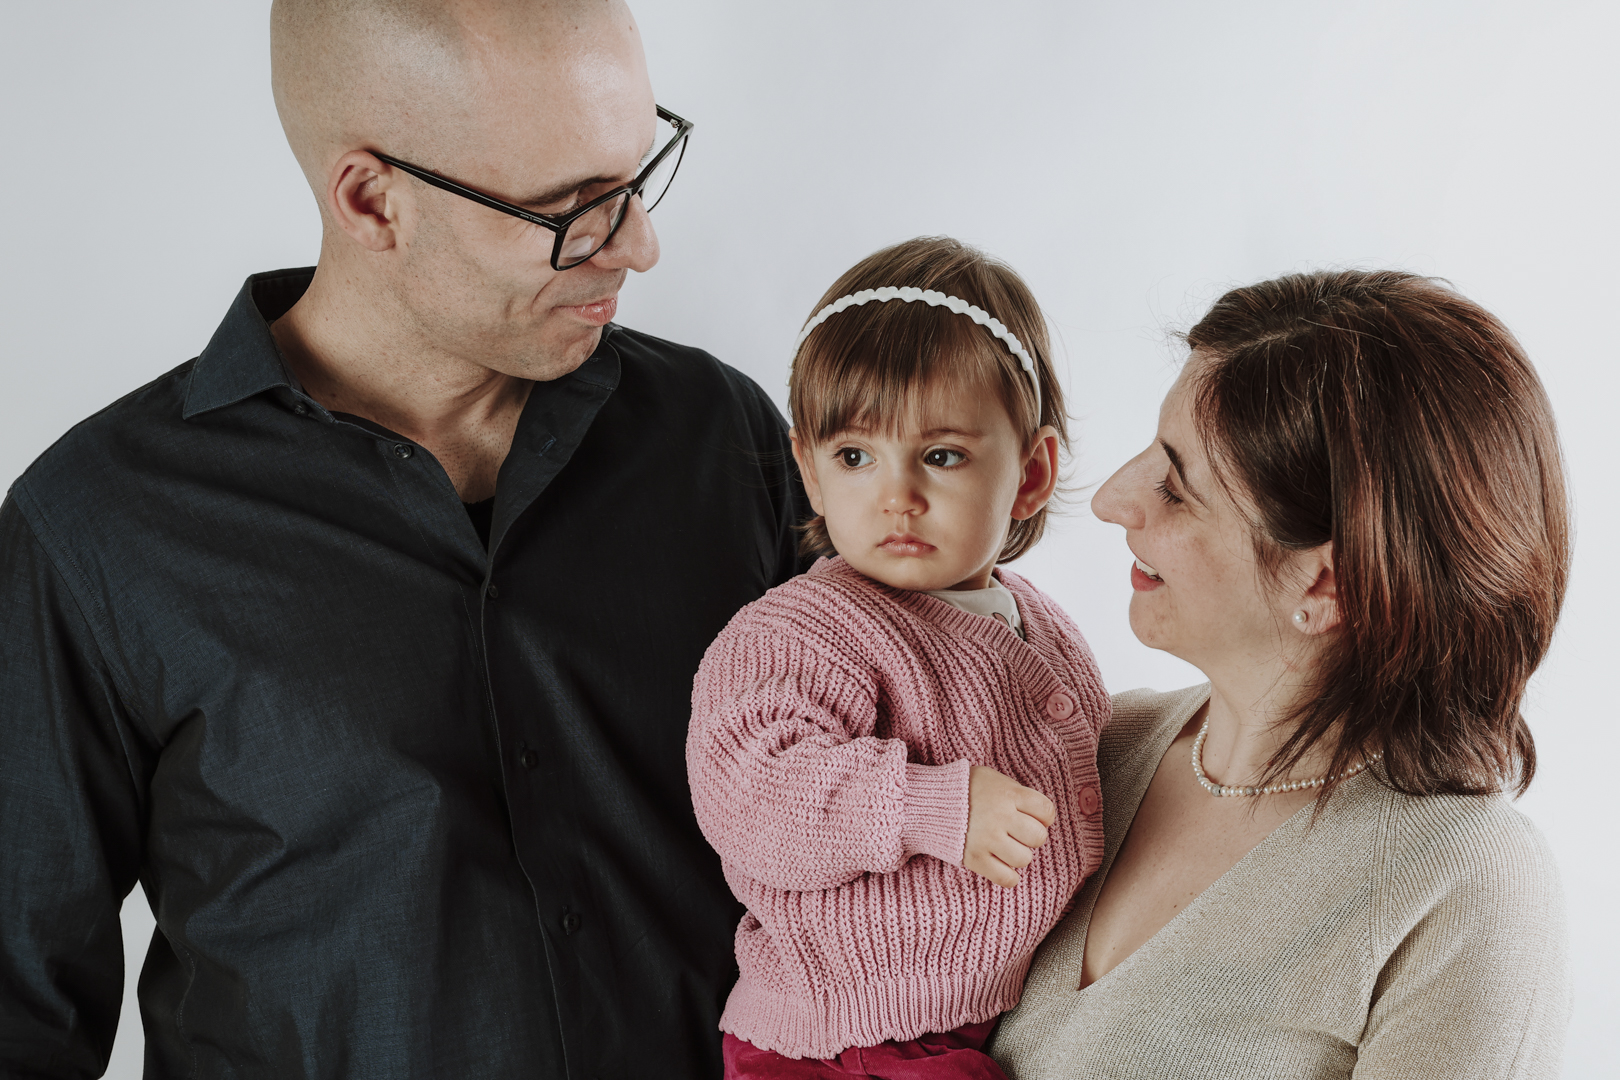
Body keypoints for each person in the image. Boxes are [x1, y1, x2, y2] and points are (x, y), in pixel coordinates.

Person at [0, 1, 804, 1076]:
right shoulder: (95, 526)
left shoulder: (720, 435)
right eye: (573, 207)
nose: (640, 247)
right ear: (372, 201)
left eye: (637, 175)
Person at [990, 270, 1571, 1078]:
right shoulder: (1089, 747)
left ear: (1324, 584)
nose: (1114, 499)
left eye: (1176, 487)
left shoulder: (1463, 890)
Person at [687, 237, 1110, 1079]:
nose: (896, 497)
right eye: (855, 457)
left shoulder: (1046, 630)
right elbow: (750, 796)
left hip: (974, 1017)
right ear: (810, 472)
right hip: (842, 1038)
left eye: (942, 456)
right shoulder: (804, 630)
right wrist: (928, 806)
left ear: (1030, 475)